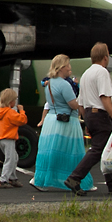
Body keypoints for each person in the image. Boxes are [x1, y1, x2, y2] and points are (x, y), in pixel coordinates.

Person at [65, 42, 112, 196]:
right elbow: (104, 97)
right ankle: (75, 177)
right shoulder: (102, 72)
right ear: (105, 58)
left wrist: (87, 120)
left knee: (107, 150)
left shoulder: (86, 74)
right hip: (100, 115)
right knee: (100, 149)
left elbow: (80, 103)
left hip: (89, 114)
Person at [33, 55, 95, 192]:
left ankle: (41, 180)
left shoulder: (49, 83)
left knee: (49, 152)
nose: (70, 68)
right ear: (61, 68)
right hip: (67, 122)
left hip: (51, 120)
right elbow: (73, 105)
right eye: (68, 65)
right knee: (74, 152)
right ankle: (79, 180)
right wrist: (83, 102)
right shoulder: (65, 84)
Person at [0, 88, 28, 188]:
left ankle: (12, 178)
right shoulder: (10, 113)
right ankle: (3, 180)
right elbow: (22, 120)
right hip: (9, 139)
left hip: (1, 139)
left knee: (14, 158)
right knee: (10, 159)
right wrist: (21, 110)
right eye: (15, 100)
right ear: (11, 102)